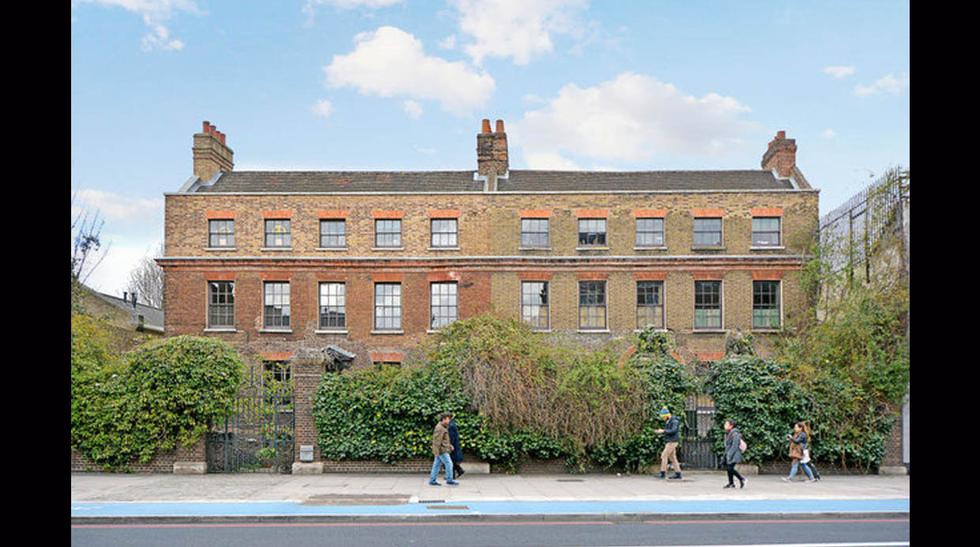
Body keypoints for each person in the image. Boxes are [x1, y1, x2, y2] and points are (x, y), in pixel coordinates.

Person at [429, 412, 458, 486]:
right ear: (444, 419)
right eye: (448, 419)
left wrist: (450, 445)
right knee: (449, 464)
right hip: (442, 450)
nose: (449, 421)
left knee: (436, 465)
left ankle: (432, 480)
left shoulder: (443, 427)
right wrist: (437, 452)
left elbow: (443, 439)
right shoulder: (440, 428)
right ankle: (449, 480)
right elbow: (437, 441)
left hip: (442, 449)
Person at [654, 407, 682, 480]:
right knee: (672, 458)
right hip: (670, 441)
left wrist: (663, 431)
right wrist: (661, 431)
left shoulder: (674, 421)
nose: (663, 419)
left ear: (667, 415)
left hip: (672, 441)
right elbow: (669, 431)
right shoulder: (669, 421)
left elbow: (673, 430)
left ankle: (663, 473)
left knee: (664, 455)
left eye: (663, 417)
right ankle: (678, 473)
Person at [722, 419, 746, 489]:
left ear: (731, 426)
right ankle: (731, 483)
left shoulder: (735, 433)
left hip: (734, 454)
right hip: (729, 453)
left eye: (726, 424)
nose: (725, 425)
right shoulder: (728, 433)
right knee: (729, 468)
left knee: (730, 468)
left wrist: (729, 454)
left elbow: (735, 446)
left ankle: (742, 479)